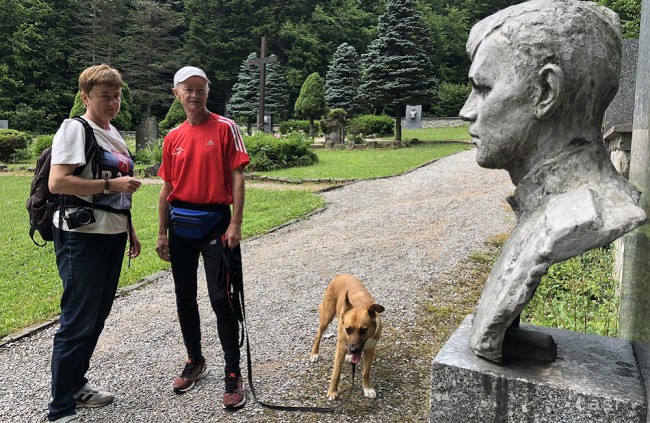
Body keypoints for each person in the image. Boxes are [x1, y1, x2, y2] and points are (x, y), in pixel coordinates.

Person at [459, 0, 646, 363]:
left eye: (483, 88)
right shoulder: (544, 209)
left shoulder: (581, 216)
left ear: (545, 91)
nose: (467, 110)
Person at [47, 64, 142, 422]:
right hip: (80, 237)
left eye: (116, 95)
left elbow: (118, 187)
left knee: (97, 316)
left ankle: (77, 385)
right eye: (105, 96)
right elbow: (59, 183)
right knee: (77, 319)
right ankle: (60, 408)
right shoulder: (75, 129)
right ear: (86, 97)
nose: (113, 102)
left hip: (111, 234)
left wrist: (128, 228)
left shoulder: (112, 132)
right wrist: (110, 187)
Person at [156, 66, 250, 409]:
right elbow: (166, 187)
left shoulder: (226, 128)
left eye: (200, 89)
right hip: (181, 226)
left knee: (221, 297)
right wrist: (162, 233)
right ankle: (195, 359)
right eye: (188, 89)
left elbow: (238, 177)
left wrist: (235, 224)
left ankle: (232, 371)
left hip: (215, 225)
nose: (194, 95)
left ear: (208, 92)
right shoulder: (173, 137)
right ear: (176, 93)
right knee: (185, 297)